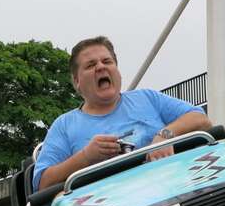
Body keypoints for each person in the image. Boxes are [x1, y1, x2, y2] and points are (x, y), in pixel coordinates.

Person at [32, 36, 212, 191]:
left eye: (107, 61)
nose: (101, 67)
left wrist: (165, 135)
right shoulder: (64, 125)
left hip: (172, 184)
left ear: (117, 71)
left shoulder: (146, 97)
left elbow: (201, 120)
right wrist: (86, 156)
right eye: (90, 65)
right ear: (77, 81)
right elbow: (42, 183)